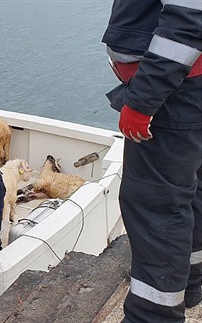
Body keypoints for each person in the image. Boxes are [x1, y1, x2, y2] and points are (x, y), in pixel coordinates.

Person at [102, 1, 202, 321]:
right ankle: (191, 284)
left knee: (157, 207)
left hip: (175, 94)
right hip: (187, 88)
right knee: (191, 192)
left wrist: (143, 100)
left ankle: (152, 317)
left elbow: (187, 21)